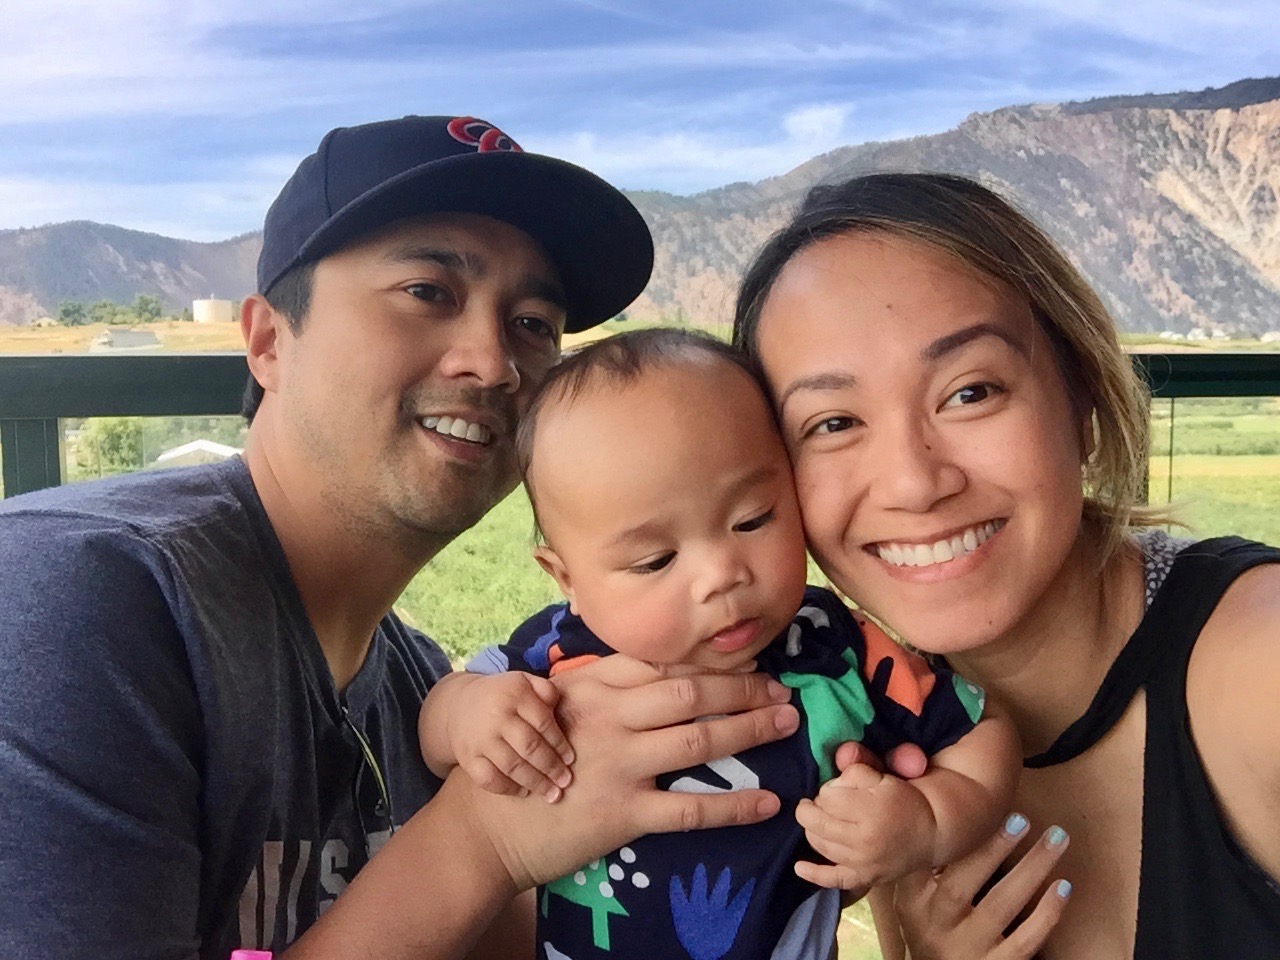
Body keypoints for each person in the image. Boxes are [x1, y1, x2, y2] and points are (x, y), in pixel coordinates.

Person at [0, 116, 805, 960]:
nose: (494, 362)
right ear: (269, 342)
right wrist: (481, 841)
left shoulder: (427, 693)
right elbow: (482, 854)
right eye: (427, 291)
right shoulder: (72, 600)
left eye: (534, 323)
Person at [731, 171, 1280, 959]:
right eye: (835, 422)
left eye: (971, 392)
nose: (914, 483)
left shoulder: (1261, 666)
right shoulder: (874, 744)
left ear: (1081, 395)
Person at [420, 328, 1019, 959]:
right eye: (654, 561)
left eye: (753, 519)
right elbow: (439, 729)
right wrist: (467, 714)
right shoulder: (559, 654)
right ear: (567, 578)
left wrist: (927, 821)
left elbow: (980, 729)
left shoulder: (828, 648)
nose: (721, 576)